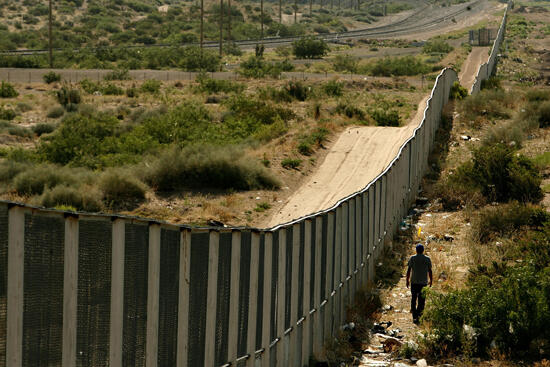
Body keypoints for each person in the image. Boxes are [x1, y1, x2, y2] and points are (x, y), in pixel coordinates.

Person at [406, 243, 432, 324]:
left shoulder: (412, 258)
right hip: (423, 282)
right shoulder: (427, 259)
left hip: (414, 282)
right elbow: (430, 271)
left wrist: (407, 280)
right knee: (422, 300)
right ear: (423, 250)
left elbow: (409, 270)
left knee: (414, 298)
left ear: (416, 250)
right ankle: (419, 315)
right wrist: (431, 280)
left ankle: (414, 315)